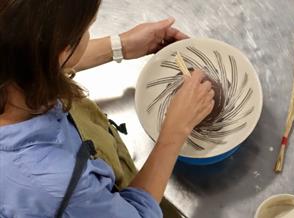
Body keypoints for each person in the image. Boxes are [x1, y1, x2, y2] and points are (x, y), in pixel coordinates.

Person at [0, 1, 215, 217]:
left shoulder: (12, 64)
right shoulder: (55, 183)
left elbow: (33, 60)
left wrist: (120, 45)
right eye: (87, 29)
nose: (89, 34)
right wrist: (174, 133)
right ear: (61, 51)